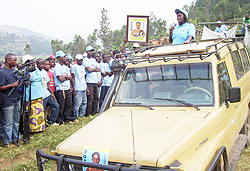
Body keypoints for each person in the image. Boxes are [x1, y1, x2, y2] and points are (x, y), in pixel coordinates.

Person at [0, 53, 21, 147]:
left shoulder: (14, 71)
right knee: (8, 123)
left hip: (16, 98)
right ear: (8, 60)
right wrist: (12, 85)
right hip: (7, 101)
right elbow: (1, 87)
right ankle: (7, 141)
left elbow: (18, 82)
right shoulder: (2, 72)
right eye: (14, 60)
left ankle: (16, 138)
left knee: (16, 121)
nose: (16, 62)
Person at [23, 55, 46, 133]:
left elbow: (39, 77)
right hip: (30, 96)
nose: (33, 62)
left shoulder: (35, 70)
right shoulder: (25, 70)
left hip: (38, 94)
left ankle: (39, 128)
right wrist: (34, 78)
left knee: (39, 113)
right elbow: (30, 78)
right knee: (32, 113)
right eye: (31, 60)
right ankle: (31, 129)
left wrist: (34, 79)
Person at [36, 59, 59, 126]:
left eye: (43, 64)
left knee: (56, 106)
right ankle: (42, 124)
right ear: (37, 65)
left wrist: (51, 93)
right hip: (41, 95)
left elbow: (47, 83)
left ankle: (51, 121)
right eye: (41, 64)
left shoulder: (44, 72)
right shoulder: (35, 73)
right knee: (43, 110)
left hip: (47, 94)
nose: (42, 65)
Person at [54, 51, 73, 124]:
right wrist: (66, 77)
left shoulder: (66, 67)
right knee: (61, 105)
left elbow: (70, 77)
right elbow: (60, 79)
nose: (65, 58)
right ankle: (60, 121)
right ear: (59, 58)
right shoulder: (57, 67)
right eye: (63, 57)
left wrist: (64, 76)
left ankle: (67, 119)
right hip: (60, 89)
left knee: (68, 104)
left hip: (67, 88)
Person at [83, 46, 100, 115]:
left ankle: (94, 112)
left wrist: (92, 69)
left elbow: (98, 69)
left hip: (95, 81)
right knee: (90, 98)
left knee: (96, 98)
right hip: (89, 81)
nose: (91, 52)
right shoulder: (85, 60)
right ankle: (88, 113)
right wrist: (94, 69)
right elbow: (88, 70)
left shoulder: (93, 60)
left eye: (92, 51)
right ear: (87, 52)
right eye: (90, 51)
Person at [71, 54, 88, 121]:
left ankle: (82, 115)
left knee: (84, 102)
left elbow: (84, 78)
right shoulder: (74, 67)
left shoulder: (83, 67)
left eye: (82, 60)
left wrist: (87, 88)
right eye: (80, 60)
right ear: (77, 60)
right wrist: (74, 89)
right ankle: (75, 117)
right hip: (78, 87)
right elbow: (73, 78)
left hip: (83, 86)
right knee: (77, 104)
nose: (81, 61)